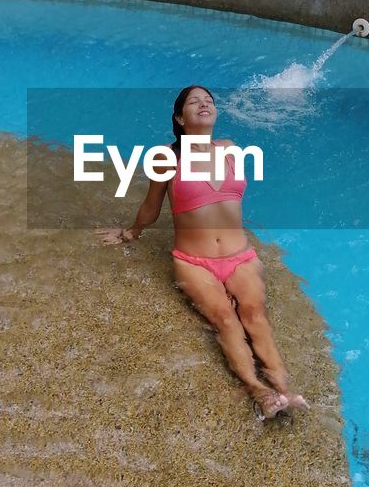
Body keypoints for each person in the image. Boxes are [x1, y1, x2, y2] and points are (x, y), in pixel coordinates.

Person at [96, 85, 308, 419]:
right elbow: (152, 207)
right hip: (194, 262)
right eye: (194, 102)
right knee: (226, 319)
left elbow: (227, 203)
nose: (204, 104)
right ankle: (258, 390)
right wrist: (130, 232)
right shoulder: (165, 157)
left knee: (254, 315)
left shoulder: (232, 150)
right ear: (180, 118)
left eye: (209, 100)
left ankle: (283, 387)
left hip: (241, 257)